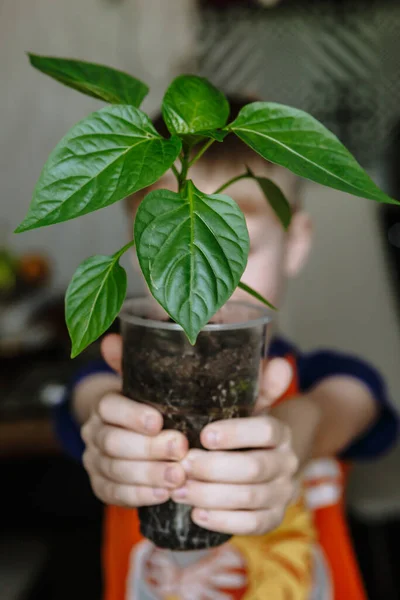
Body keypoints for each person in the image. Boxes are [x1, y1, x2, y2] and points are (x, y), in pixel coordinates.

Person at [55, 98, 399, 600]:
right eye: (168, 243)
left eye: (236, 245)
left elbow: (349, 405)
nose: (204, 282)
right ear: (135, 242)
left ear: (296, 243)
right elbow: (90, 402)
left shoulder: (327, 380)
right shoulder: (119, 384)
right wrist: (107, 429)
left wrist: (293, 430)